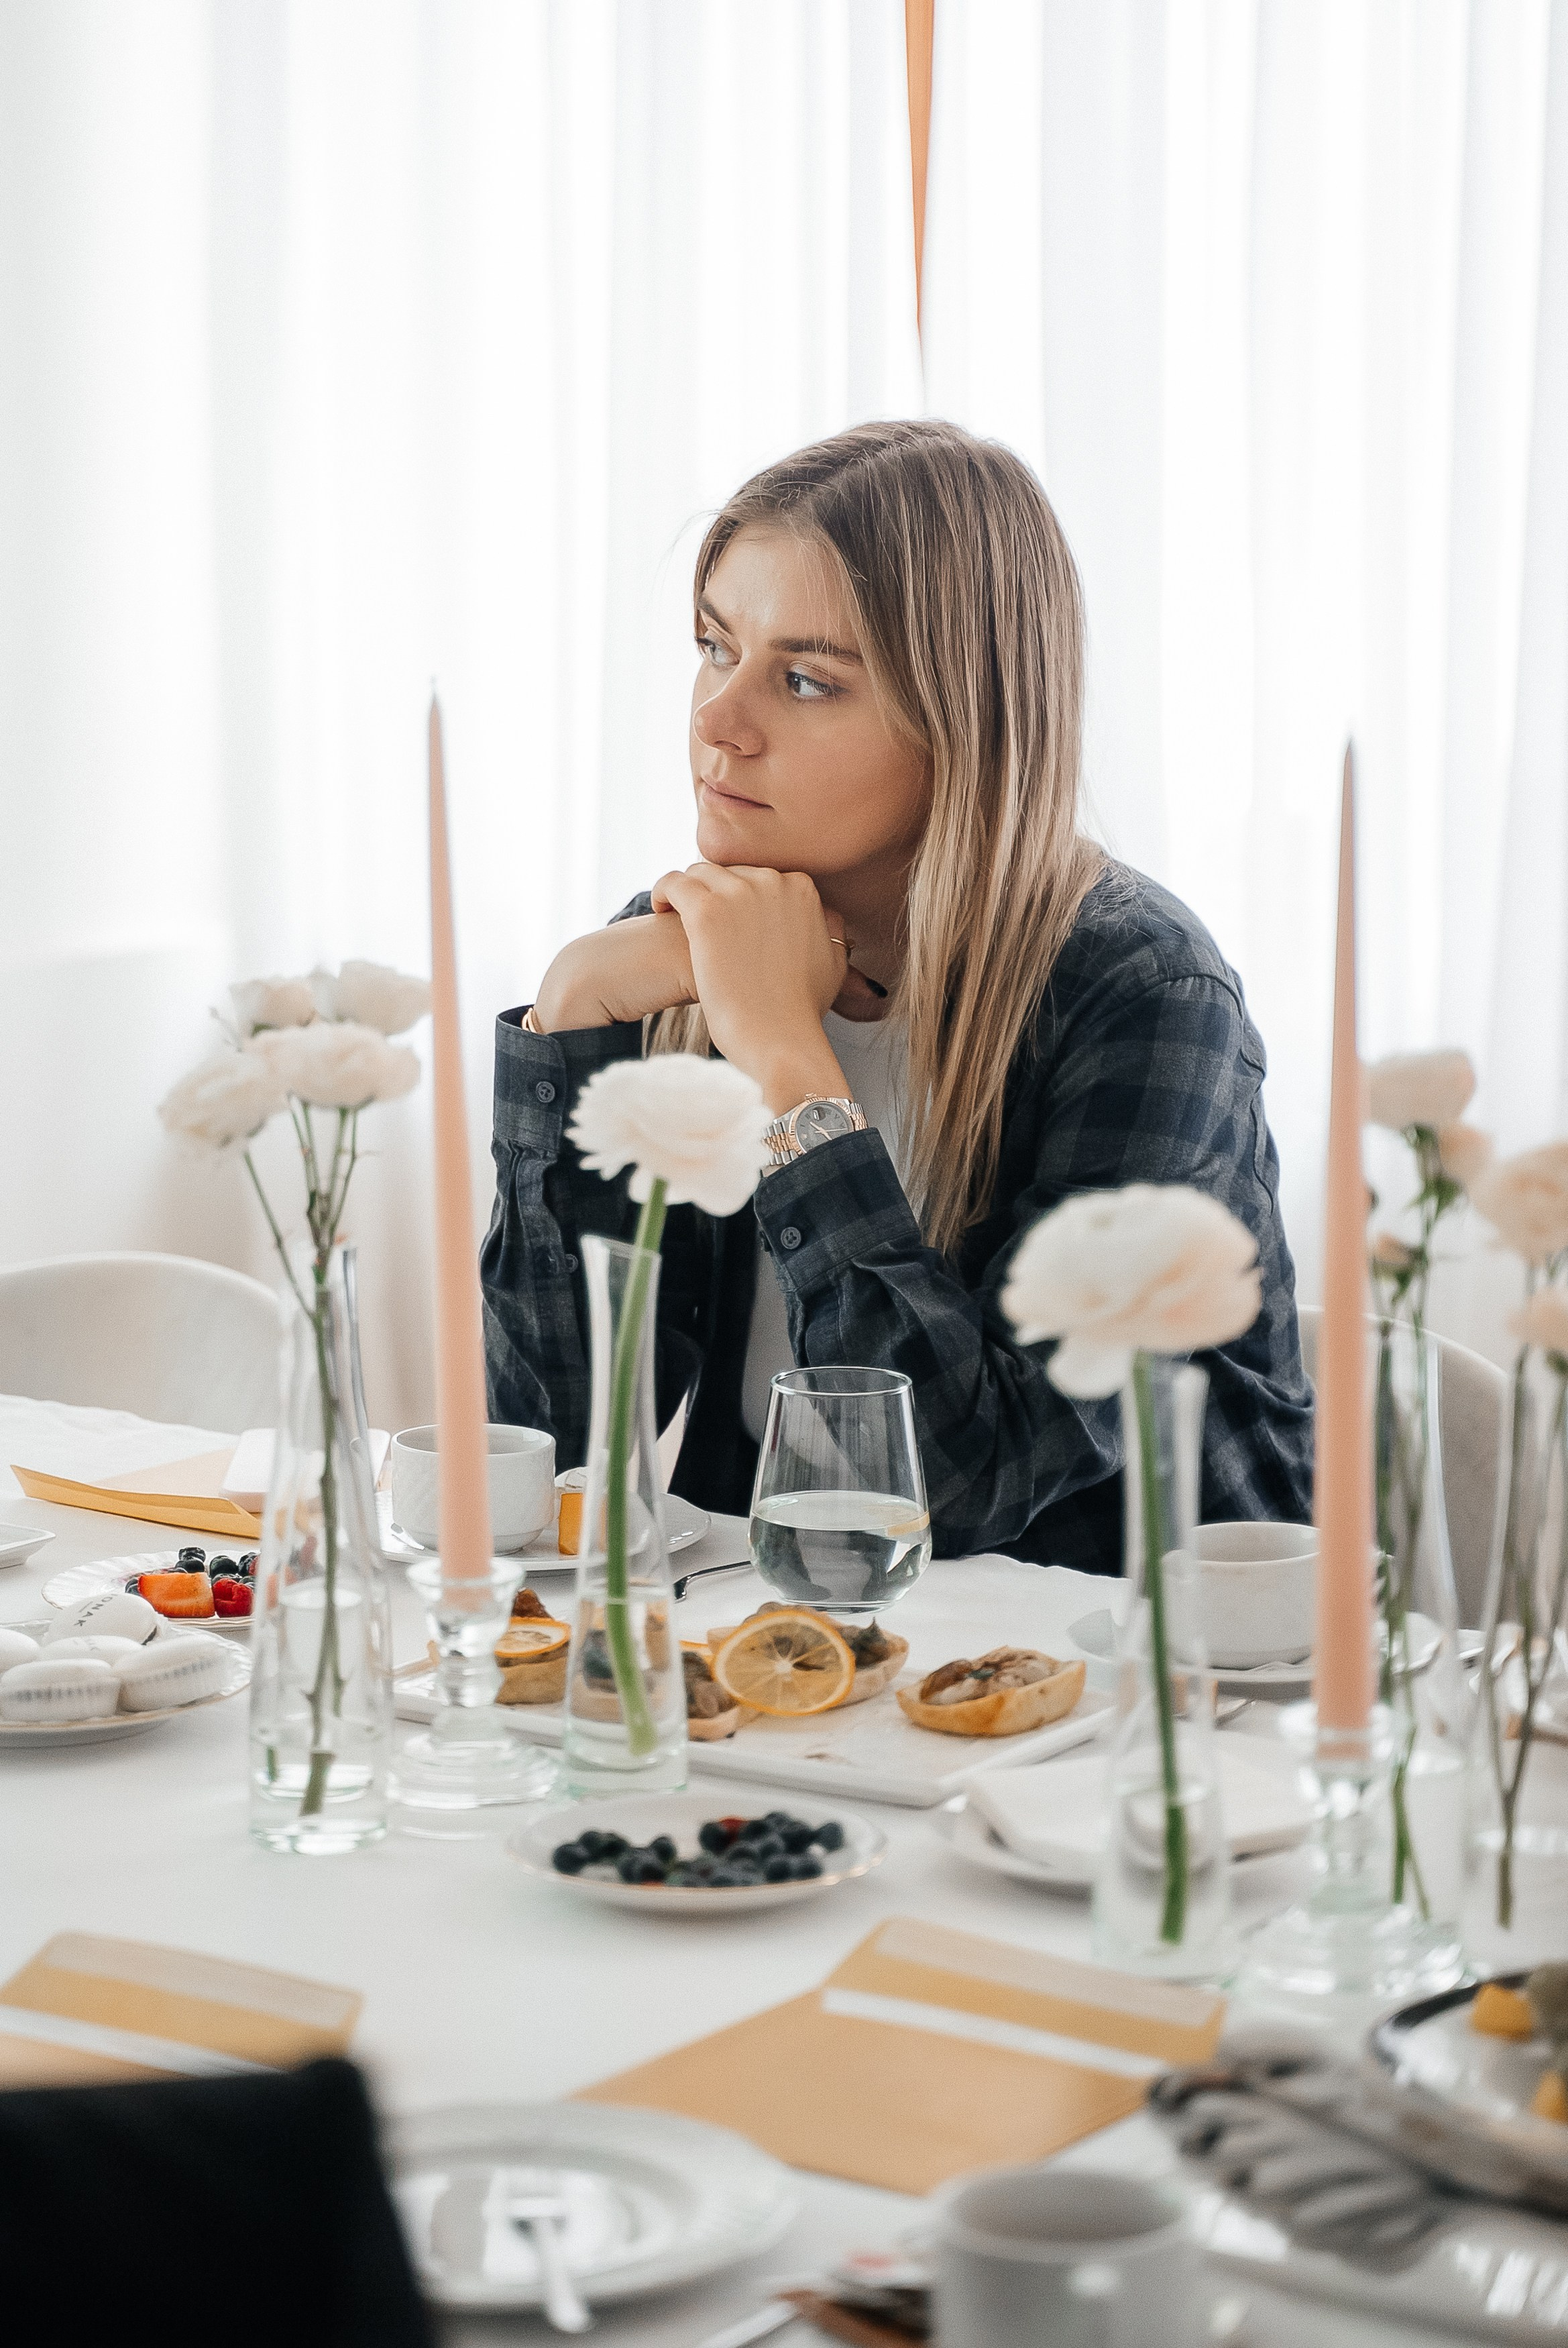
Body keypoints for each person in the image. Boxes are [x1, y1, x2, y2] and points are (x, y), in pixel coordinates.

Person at [482, 419, 1312, 1575]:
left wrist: (784, 1059)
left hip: (1141, 1683)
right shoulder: (673, 950)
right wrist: (567, 1015)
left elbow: (957, 1485)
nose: (718, 722)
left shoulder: (1140, 990)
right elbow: (558, 1435)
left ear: (961, 721)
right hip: (802, 1655)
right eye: (714, 646)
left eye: (806, 679)